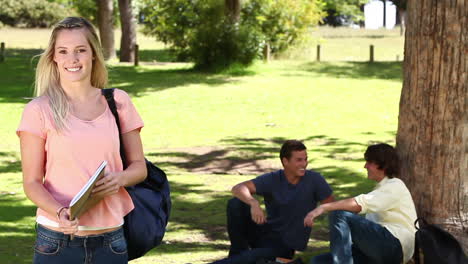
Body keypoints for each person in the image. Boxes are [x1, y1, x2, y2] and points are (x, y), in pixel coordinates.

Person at [17, 17, 147, 264]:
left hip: (112, 241)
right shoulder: (38, 110)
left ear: (94, 54)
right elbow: (32, 182)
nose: (72, 59)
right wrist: (60, 212)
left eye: (80, 50)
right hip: (56, 242)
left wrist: (118, 179)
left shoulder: (118, 102)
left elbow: (139, 168)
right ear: (53, 57)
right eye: (63, 51)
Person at [210, 140, 334, 264]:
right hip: (265, 233)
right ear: (285, 161)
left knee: (252, 257)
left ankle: (238, 258)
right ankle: (237, 252)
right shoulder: (273, 178)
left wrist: (317, 212)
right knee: (236, 203)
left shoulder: (314, 180)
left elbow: (333, 207)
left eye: (305, 159)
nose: (304, 164)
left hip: (284, 246)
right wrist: (254, 203)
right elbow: (238, 188)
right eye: (299, 160)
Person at [305, 143, 417, 264]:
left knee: (338, 214)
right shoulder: (380, 190)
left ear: (383, 165)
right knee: (319, 261)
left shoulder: (395, 185)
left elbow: (359, 204)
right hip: (378, 248)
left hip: (395, 246)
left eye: (369, 162)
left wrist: (324, 207)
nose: (365, 166)